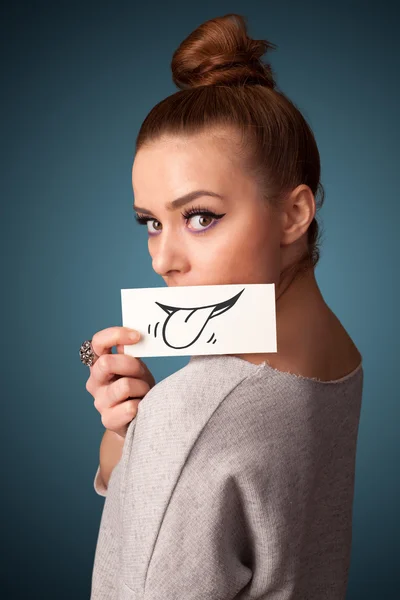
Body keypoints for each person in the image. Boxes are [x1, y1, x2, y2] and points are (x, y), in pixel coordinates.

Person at [83, 13, 363, 599]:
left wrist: (167, 427)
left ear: (294, 214)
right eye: (151, 223)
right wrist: (129, 432)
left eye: (201, 217)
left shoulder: (198, 412)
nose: (164, 259)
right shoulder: (338, 353)